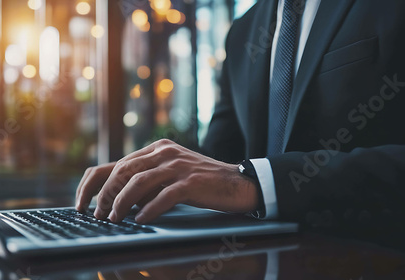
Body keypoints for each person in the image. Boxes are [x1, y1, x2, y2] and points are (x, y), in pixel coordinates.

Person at [76, 0, 405, 245]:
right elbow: (220, 156)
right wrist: (154, 175)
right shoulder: (245, 31)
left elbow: (238, 176)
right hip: (257, 260)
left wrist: (256, 184)